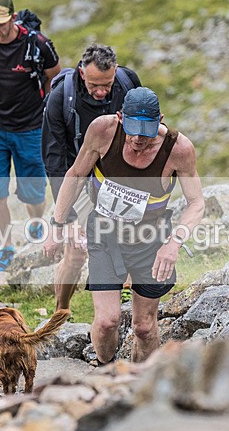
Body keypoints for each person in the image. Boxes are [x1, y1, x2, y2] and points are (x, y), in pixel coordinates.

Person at [44, 87, 205, 364]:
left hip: (150, 239)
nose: (138, 139)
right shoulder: (102, 131)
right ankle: (106, 370)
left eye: (147, 131)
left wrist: (173, 244)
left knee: (144, 327)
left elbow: (196, 203)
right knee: (107, 321)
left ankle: (141, 380)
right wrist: (57, 224)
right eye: (132, 129)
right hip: (104, 234)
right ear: (120, 117)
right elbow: (76, 174)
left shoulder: (179, 149)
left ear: (161, 120)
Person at [0, 0, 61, 271]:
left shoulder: (37, 45)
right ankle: (5, 247)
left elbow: (56, 73)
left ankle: (34, 223)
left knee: (34, 195)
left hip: (31, 128)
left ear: (13, 18)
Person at [42, 43, 140, 311]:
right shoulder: (61, 97)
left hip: (119, 177)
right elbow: (54, 160)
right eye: (95, 84)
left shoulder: (128, 84)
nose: (100, 92)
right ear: (83, 73)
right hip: (80, 177)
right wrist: (67, 216)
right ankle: (61, 309)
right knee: (76, 251)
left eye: (106, 85)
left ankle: (126, 312)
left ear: (116, 72)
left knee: (130, 245)